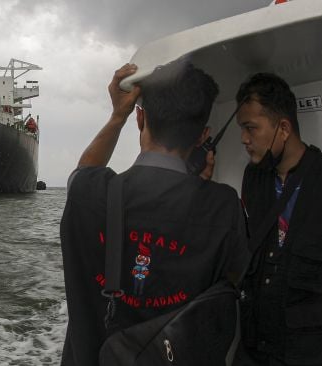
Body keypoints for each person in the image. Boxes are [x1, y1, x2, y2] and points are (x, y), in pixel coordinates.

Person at [60, 62, 249, 366]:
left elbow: (83, 172)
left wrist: (116, 117)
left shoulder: (88, 194)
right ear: (203, 136)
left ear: (140, 117)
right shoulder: (223, 208)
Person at [231, 73, 322, 366]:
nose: (244, 139)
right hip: (252, 350)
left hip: (308, 356)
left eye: (251, 128)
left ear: (283, 128)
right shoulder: (253, 176)